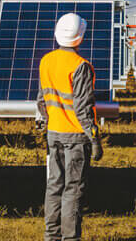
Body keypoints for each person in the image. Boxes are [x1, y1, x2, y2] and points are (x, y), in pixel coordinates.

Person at [36, 13, 103, 241]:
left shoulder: (46, 61)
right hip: (75, 137)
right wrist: (94, 139)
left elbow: (42, 100)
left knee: (54, 186)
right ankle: (70, 238)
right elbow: (83, 109)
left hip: (53, 133)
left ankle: (51, 236)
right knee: (73, 190)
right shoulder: (81, 66)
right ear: (80, 37)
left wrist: (49, 122)